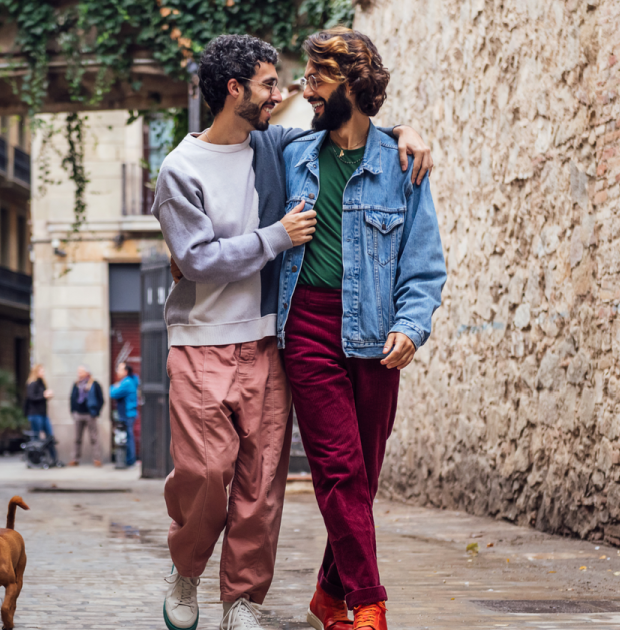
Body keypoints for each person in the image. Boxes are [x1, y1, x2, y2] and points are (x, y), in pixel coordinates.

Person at [155, 33, 431, 630]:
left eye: (306, 78)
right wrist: (269, 238)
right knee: (262, 471)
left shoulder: (320, 152)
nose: (293, 91)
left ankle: (289, 599)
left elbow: (420, 252)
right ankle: (358, 602)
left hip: (320, 336)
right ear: (237, 91)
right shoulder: (232, 161)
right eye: (276, 82)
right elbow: (199, 255)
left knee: (313, 481)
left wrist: (406, 131)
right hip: (252, 333)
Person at [276, 27, 447, 630]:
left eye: (317, 79)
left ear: (351, 83)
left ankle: (328, 594)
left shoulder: (400, 164)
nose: (306, 89)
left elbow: (423, 264)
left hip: (376, 334)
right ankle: (368, 604)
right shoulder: (291, 153)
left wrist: (411, 324)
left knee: (363, 477)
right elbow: (229, 138)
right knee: (339, 468)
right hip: (308, 329)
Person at [69, 366, 104, 467]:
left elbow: (101, 399)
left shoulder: (94, 384)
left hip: (90, 414)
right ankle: (75, 459)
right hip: (78, 414)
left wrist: (96, 412)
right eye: (78, 371)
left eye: (81, 371)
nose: (79, 373)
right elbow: (72, 398)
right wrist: (73, 411)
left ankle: (97, 459)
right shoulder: (76, 384)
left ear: (86, 373)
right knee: (77, 438)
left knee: (94, 438)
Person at [24, 364, 59, 466]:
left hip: (43, 414)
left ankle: (54, 459)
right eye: (42, 371)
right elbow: (31, 397)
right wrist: (43, 395)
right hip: (35, 414)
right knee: (36, 438)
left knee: (50, 437)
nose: (43, 373)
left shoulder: (42, 383)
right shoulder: (32, 383)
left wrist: (47, 396)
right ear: (36, 372)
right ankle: (35, 460)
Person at [109, 362, 140, 467]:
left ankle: (130, 460)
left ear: (126, 371)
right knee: (128, 436)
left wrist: (113, 386)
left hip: (127, 414)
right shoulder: (130, 381)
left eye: (119, 369)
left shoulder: (126, 382)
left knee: (128, 436)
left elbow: (113, 393)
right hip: (128, 413)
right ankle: (129, 459)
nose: (117, 371)